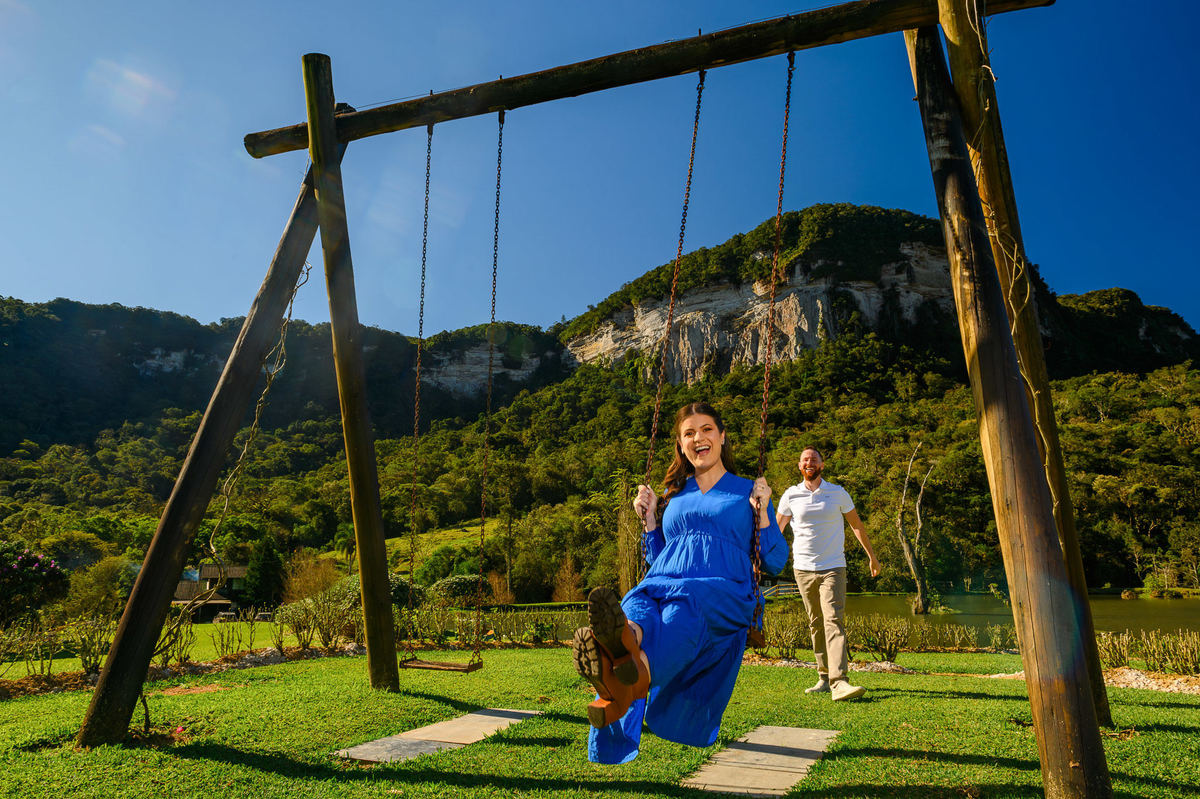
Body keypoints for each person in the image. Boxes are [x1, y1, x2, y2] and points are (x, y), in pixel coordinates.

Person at [571, 401, 789, 764]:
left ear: (722, 437)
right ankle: (624, 648)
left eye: (706, 429)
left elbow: (776, 560)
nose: (698, 438)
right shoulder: (676, 496)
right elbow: (659, 559)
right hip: (666, 581)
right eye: (689, 433)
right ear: (680, 444)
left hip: (721, 590)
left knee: (683, 611)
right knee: (638, 601)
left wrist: (764, 511)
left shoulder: (748, 491)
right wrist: (651, 519)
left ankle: (630, 678)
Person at [776, 446, 881, 701]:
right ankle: (824, 677)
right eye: (804, 460)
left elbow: (856, 525)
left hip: (833, 566)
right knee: (815, 623)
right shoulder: (791, 495)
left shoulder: (837, 493)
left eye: (813, 459)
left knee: (833, 619)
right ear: (799, 466)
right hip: (802, 569)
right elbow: (776, 531)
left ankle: (839, 682)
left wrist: (872, 556)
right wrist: (758, 560)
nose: (809, 462)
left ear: (821, 465)